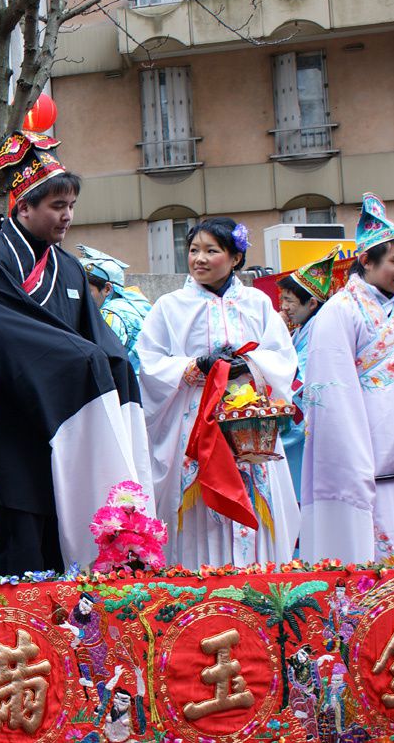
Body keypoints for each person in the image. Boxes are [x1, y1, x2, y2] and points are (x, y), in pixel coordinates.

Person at [0, 131, 150, 575]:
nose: (67, 217)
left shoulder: (68, 267)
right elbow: (2, 331)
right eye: (57, 207)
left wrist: (119, 370)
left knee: (67, 548)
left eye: (71, 207)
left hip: (68, 421)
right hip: (13, 424)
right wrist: (82, 358)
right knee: (22, 551)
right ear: (23, 206)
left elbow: (97, 338)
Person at [138, 217, 299, 567]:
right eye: (194, 250)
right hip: (194, 418)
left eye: (212, 251)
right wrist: (197, 364)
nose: (199, 259)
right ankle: (200, 581)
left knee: (256, 488)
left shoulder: (257, 303)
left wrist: (248, 364)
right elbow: (149, 364)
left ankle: (258, 579)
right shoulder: (169, 306)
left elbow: (283, 356)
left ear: (235, 258)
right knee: (198, 502)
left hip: (249, 419)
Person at [301, 194, 394, 563]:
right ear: (366, 260)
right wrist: (356, 463)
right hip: (365, 459)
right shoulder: (339, 312)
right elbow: (334, 395)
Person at [276, 247, 338, 501]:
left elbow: (300, 378)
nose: (284, 307)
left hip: (304, 421)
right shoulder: (300, 330)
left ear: (312, 303)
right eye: (282, 299)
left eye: (289, 300)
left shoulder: (319, 331)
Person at [76, 244, 153, 373]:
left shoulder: (110, 314)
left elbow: (102, 362)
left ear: (107, 289)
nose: (81, 295)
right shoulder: (136, 305)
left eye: (87, 290)